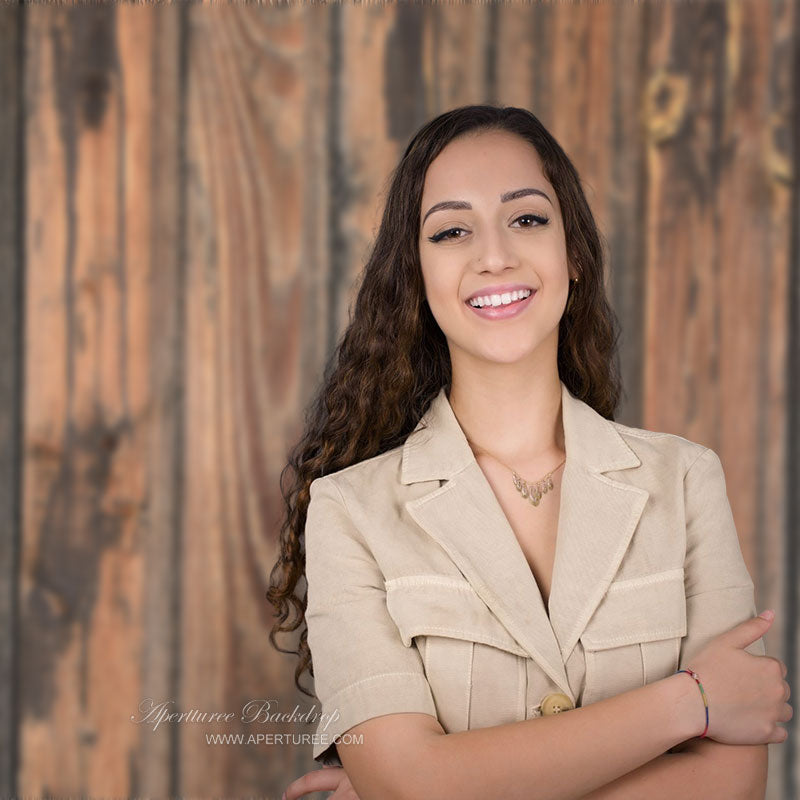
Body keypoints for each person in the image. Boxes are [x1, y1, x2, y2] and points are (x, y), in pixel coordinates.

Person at [267, 104, 791, 800]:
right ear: (416, 276)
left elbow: (732, 785)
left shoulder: (686, 480)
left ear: (571, 251)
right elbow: (409, 784)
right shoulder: (349, 512)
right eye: (452, 231)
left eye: (527, 218)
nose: (494, 255)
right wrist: (689, 702)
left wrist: (442, 785)